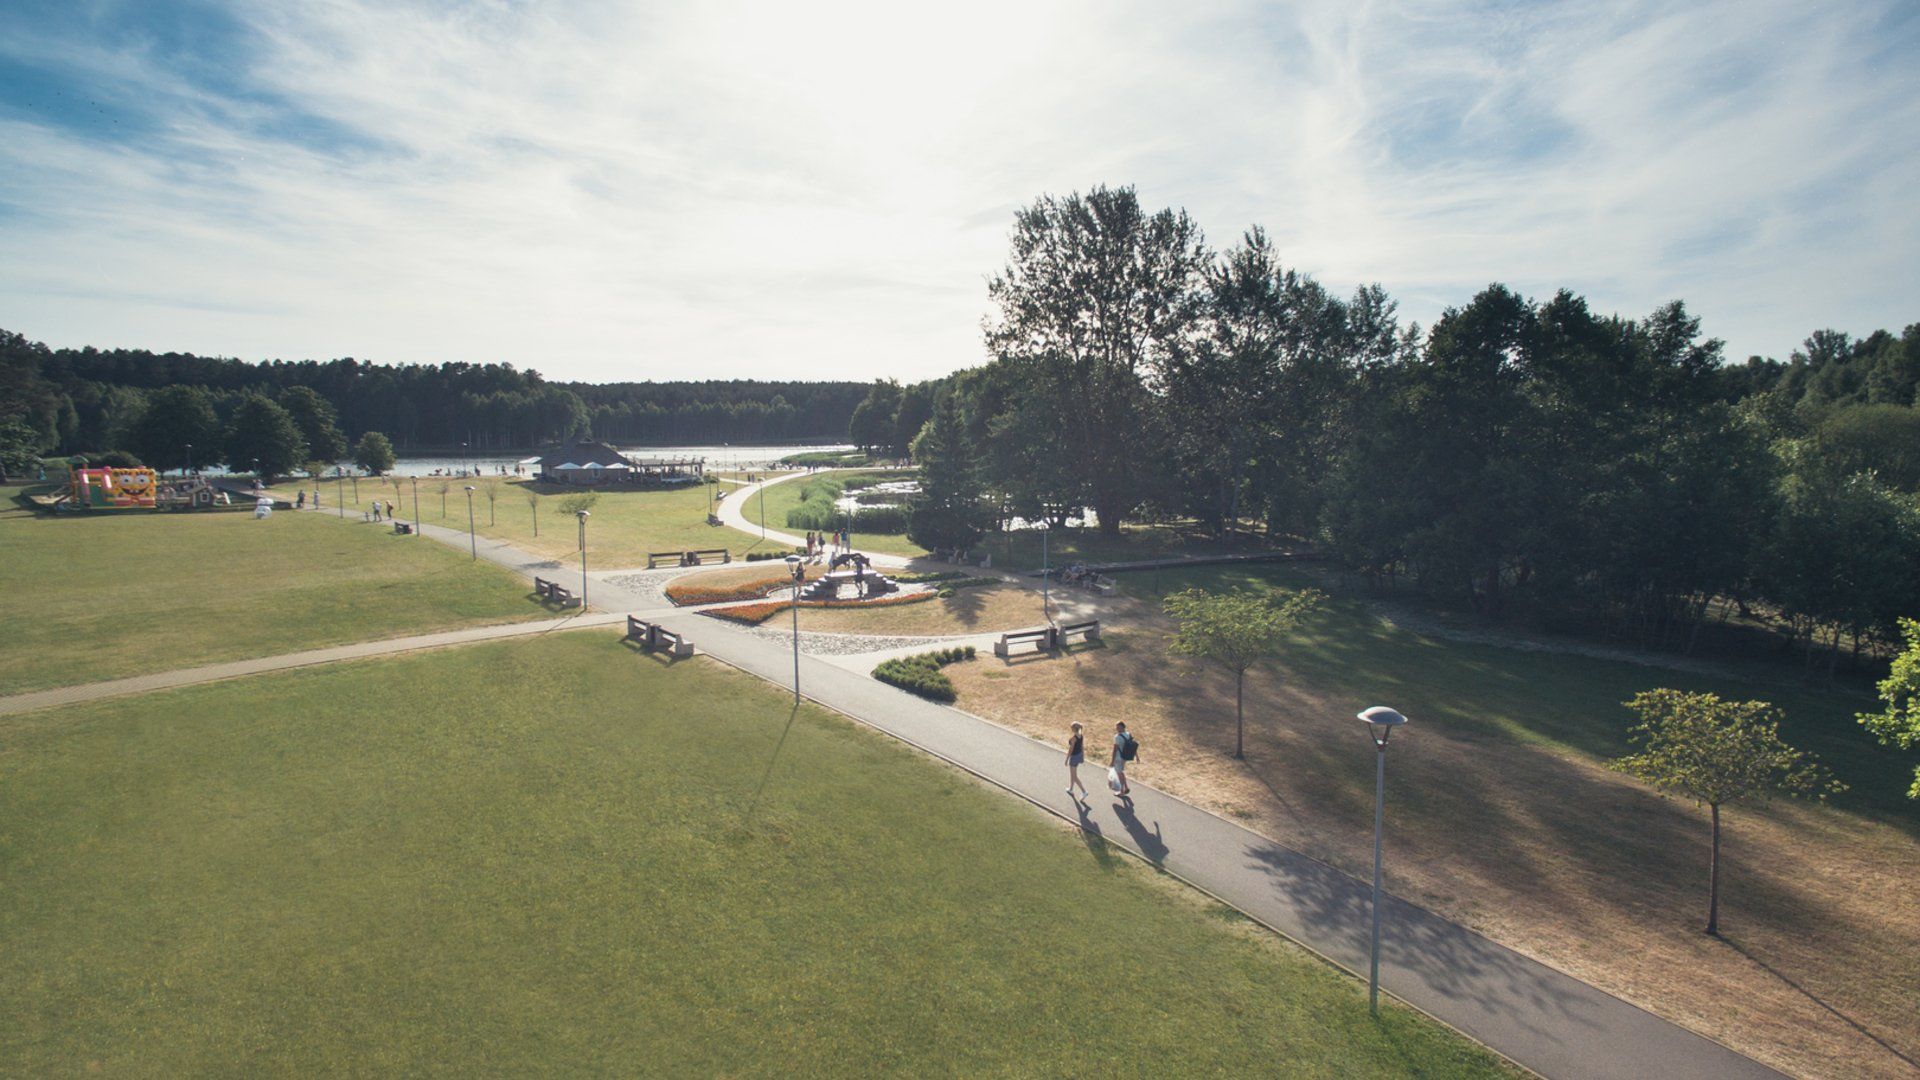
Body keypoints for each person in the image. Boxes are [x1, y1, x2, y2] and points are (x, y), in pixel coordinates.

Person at [1110, 721, 1135, 798]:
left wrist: (1112, 761)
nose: (1116, 728)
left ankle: (1121, 791)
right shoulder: (1128, 734)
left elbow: (1115, 749)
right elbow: (1133, 745)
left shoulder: (1117, 737)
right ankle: (1126, 787)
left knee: (1119, 774)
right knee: (1121, 772)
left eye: (1118, 727)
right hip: (1125, 757)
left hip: (1118, 758)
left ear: (1122, 727)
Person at [1065, 722, 1089, 801]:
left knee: (1074, 776)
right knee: (1073, 774)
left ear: (1074, 729)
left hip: (1074, 757)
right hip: (1078, 756)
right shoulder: (1081, 736)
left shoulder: (1074, 738)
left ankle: (1084, 791)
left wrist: (1067, 759)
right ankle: (1071, 789)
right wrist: (1082, 756)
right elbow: (1082, 746)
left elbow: (1070, 749)